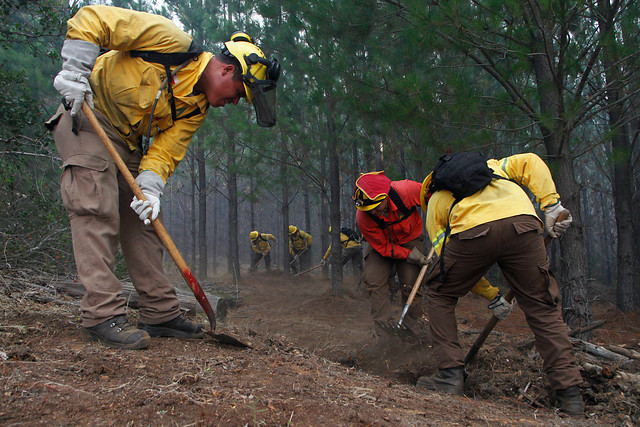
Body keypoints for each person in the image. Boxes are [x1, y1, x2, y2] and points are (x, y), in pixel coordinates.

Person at [44, 5, 280, 350]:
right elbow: (92, 18)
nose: (233, 103)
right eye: (237, 94)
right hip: (87, 116)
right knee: (97, 207)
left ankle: (160, 313)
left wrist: (150, 191)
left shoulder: (195, 109)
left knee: (147, 220)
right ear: (227, 70)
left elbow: (164, 153)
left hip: (125, 141)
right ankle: (101, 315)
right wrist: (74, 71)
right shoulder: (168, 40)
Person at [416, 152, 583, 416]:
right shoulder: (494, 168)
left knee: (440, 294)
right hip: (524, 224)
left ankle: (449, 377)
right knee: (543, 309)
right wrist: (551, 206)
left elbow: (448, 265)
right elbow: (531, 161)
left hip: (472, 232)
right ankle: (570, 395)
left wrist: (489, 295)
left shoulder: (436, 200)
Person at [353, 171, 510, 338]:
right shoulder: (363, 217)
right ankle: (384, 333)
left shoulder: (405, 190)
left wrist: (447, 213)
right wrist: (410, 255)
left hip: (410, 237)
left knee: (410, 284)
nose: (374, 213)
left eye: (377, 208)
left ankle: (411, 330)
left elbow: (434, 199)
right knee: (373, 279)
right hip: (383, 245)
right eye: (369, 210)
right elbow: (383, 247)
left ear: (385, 197)